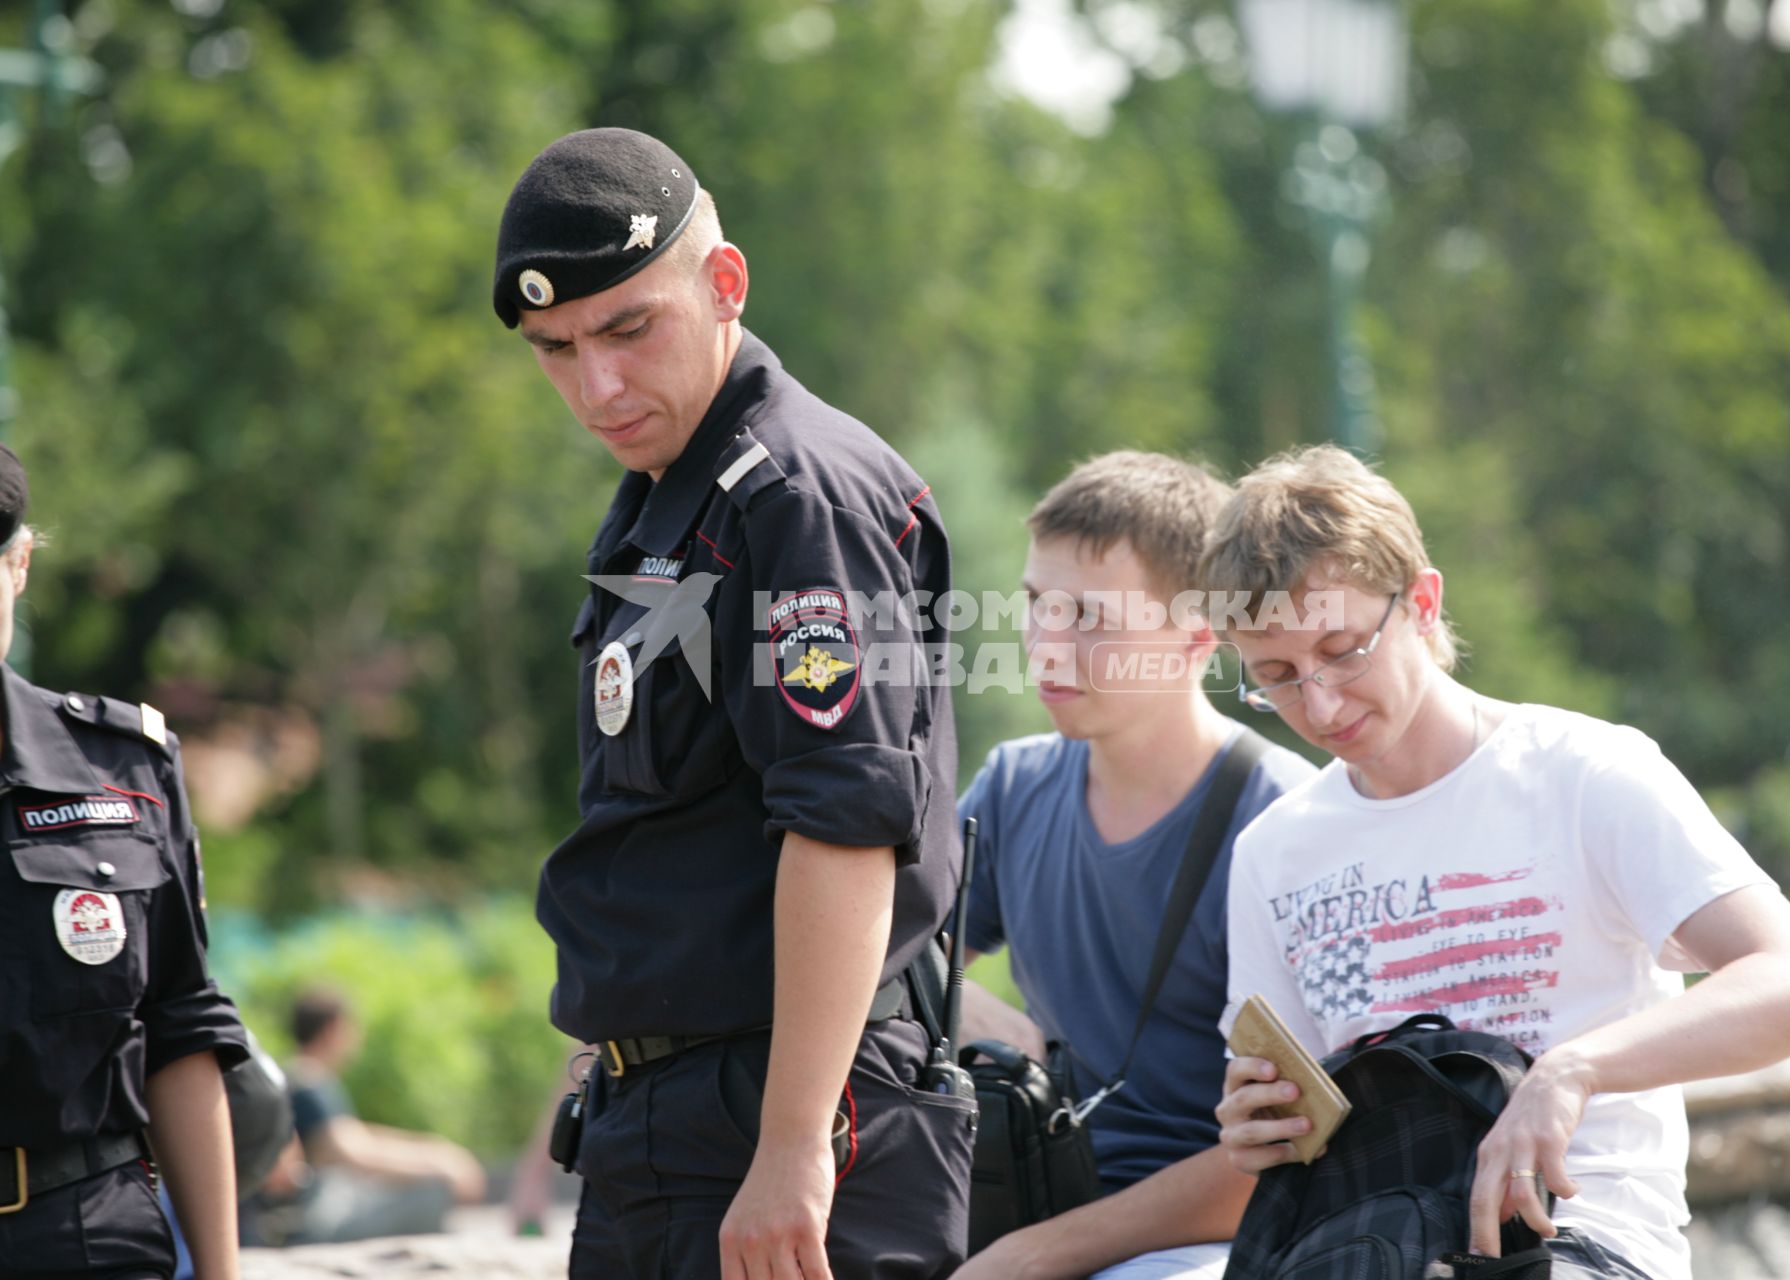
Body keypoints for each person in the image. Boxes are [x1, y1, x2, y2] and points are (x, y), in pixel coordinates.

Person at [493, 128, 969, 1279]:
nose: (595, 383)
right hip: (667, 1116)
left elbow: (845, 822)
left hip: (786, 1112)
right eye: (555, 347)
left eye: (626, 327)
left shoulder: (791, 492)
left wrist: (796, 1144)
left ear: (725, 284)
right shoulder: (669, 494)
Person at [1203, 445, 1790, 1279]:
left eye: (1342, 650)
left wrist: (1572, 1071)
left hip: (1579, 1245)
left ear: (1423, 602)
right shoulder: (1273, 852)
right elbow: (1282, 1130)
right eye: (1279, 677)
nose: (1319, 702)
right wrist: (1255, 1128)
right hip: (1369, 1247)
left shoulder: (1582, 773)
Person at [953, 452, 1316, 1280]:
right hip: (1023, 1207)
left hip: (1211, 1246)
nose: (1048, 646)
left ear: (1197, 635)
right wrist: (972, 1011)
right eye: (1037, 605)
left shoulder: (1286, 818)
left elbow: (1287, 1153)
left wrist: (1034, 1256)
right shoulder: (1013, 783)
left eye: (1091, 618)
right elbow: (875, 960)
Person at [0, 443, 249, 1280]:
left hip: (87, 1233)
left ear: (20, 563)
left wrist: (218, 1273)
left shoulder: (124, 768)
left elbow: (180, 1024)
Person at [276, 987, 485, 1243]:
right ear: (334, 1028)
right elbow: (349, 1150)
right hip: (317, 1221)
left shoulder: (297, 1075)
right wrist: (436, 1166)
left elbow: (355, 1134)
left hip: (318, 1211)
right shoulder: (307, 1079)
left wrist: (435, 1150)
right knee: (433, 1190)